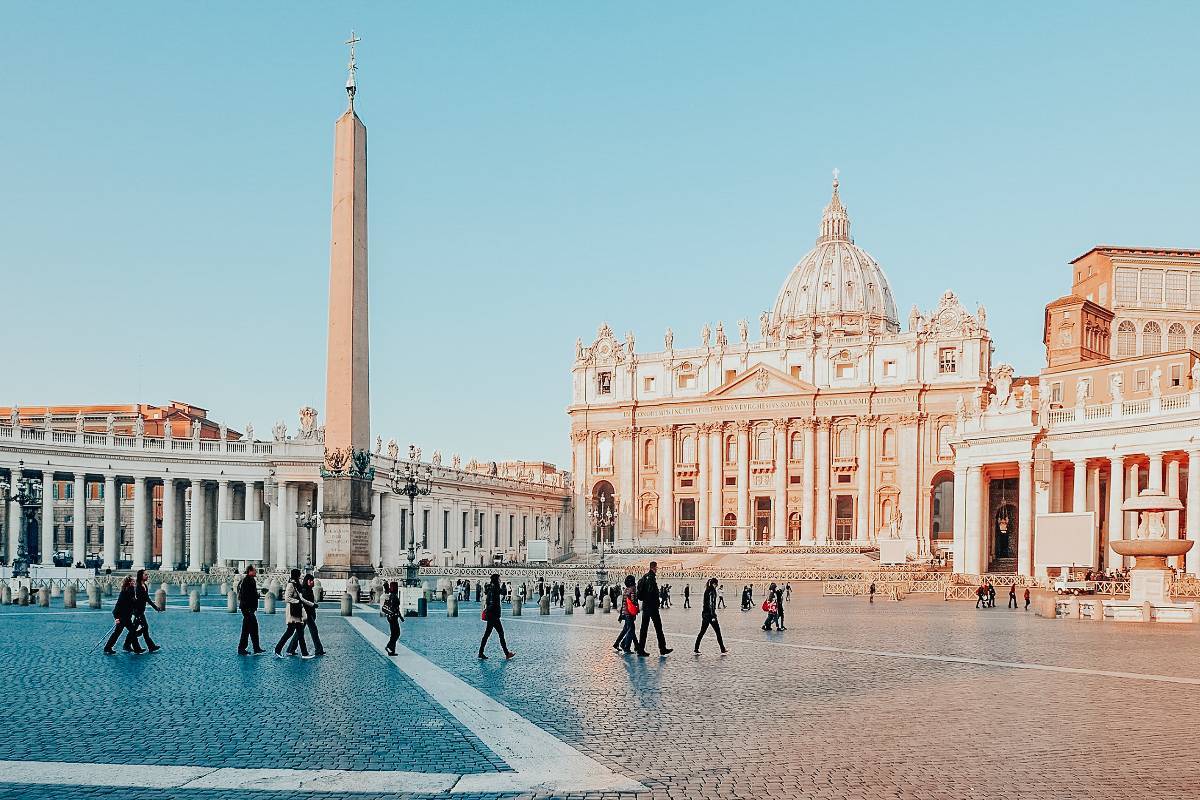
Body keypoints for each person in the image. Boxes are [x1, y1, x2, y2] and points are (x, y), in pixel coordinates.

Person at [275, 569, 315, 659]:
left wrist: (312, 604)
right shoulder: (291, 585)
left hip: (296, 611)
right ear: (296, 575)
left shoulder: (296, 585)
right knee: (290, 632)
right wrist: (297, 601)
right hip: (292, 612)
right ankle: (277, 649)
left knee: (300, 633)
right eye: (299, 575)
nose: (300, 576)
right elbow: (287, 598)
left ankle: (304, 653)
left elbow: (301, 599)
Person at [635, 561, 672, 657]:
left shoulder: (644, 577)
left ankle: (640, 649)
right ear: (654, 567)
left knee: (644, 628)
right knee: (658, 628)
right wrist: (656, 602)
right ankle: (662, 648)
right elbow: (652, 593)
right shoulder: (651, 578)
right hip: (652, 607)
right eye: (656, 568)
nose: (657, 569)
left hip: (646, 606)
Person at [124, 569, 162, 652]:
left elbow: (147, 598)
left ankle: (127, 644)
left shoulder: (144, 585)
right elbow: (135, 599)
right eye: (145, 575)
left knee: (135, 629)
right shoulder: (138, 586)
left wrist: (155, 607)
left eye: (147, 575)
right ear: (141, 576)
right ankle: (150, 646)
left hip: (141, 610)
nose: (147, 576)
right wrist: (134, 610)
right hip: (138, 611)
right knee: (144, 628)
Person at [479, 573, 515, 660]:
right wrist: (490, 612)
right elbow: (492, 602)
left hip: (492, 615)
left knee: (487, 634)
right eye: (499, 579)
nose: (500, 580)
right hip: (493, 616)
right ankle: (506, 653)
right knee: (500, 634)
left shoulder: (493, 588)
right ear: (496, 580)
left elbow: (503, 592)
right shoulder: (494, 589)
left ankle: (481, 652)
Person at [103, 576, 140, 655]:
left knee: (132, 631)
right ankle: (108, 648)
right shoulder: (126, 591)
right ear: (129, 582)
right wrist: (116, 617)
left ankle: (132, 648)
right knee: (118, 632)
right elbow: (119, 605)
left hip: (126, 616)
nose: (135, 582)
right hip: (122, 617)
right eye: (133, 581)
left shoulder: (131, 590)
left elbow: (131, 604)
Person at [694, 577, 727, 654]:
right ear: (714, 584)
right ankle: (722, 649)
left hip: (705, 614)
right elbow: (711, 604)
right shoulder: (712, 591)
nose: (716, 586)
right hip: (710, 615)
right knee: (718, 632)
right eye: (716, 584)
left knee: (702, 632)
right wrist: (713, 616)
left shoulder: (707, 590)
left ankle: (696, 648)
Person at [237, 565, 265, 655]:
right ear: (250, 571)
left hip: (249, 609)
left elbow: (250, 594)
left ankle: (255, 647)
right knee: (248, 629)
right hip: (247, 609)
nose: (256, 572)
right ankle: (242, 648)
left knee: (252, 628)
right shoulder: (246, 581)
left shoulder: (250, 580)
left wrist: (257, 595)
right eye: (254, 571)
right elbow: (245, 595)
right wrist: (249, 608)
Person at [301, 574, 326, 655]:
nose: (313, 582)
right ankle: (319, 650)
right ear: (308, 581)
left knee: (299, 632)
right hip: (307, 614)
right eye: (311, 581)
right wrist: (313, 605)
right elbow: (305, 602)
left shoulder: (308, 589)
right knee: (314, 631)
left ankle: (291, 649)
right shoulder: (305, 590)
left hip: (308, 613)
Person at [613, 574, 638, 653]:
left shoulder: (626, 590)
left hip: (625, 612)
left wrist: (621, 614)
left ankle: (617, 644)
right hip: (629, 612)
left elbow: (624, 602)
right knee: (631, 630)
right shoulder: (632, 589)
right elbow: (633, 601)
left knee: (627, 629)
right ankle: (625, 645)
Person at [382, 581, 404, 655]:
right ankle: (389, 646)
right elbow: (395, 608)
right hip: (393, 617)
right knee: (396, 633)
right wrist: (399, 615)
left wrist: (400, 616)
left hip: (391, 617)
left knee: (394, 633)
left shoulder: (391, 595)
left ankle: (392, 650)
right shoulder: (393, 596)